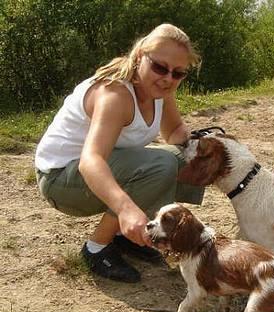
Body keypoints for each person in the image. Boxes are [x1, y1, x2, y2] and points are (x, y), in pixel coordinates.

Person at [35, 24, 204, 283]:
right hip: (60, 180)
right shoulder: (115, 94)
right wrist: (125, 209)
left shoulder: (159, 90)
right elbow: (90, 161)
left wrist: (208, 149)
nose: (169, 78)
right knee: (162, 165)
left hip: (95, 173)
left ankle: (126, 238)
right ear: (139, 58)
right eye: (160, 67)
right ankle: (96, 249)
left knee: (188, 161)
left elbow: (175, 132)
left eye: (178, 73)